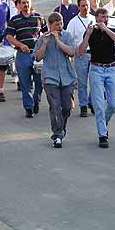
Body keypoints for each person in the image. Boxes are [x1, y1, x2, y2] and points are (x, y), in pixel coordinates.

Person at [78, 8, 115, 148]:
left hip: (110, 69)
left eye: (107, 17)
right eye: (103, 17)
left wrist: (106, 29)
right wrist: (88, 35)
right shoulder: (91, 31)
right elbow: (81, 51)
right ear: (97, 18)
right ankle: (103, 135)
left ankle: (104, 123)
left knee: (113, 104)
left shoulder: (113, 31)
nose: (106, 19)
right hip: (96, 69)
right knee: (98, 104)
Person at [34, 12, 76, 148]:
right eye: (56, 24)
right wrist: (45, 43)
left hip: (67, 77)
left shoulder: (67, 36)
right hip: (50, 77)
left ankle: (61, 128)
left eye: (61, 23)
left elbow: (71, 52)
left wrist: (58, 40)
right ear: (50, 25)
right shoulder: (43, 38)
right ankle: (57, 135)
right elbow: (38, 57)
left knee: (67, 107)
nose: (59, 26)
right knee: (55, 107)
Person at [6, 0, 47, 118]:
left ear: (31, 3)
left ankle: (36, 101)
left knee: (39, 81)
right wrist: (19, 44)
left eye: (27, 2)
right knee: (25, 83)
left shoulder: (39, 17)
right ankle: (28, 108)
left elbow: (46, 34)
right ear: (19, 5)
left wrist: (43, 47)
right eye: (23, 3)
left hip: (37, 55)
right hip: (23, 55)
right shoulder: (14, 20)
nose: (26, 5)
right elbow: (9, 37)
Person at [66, 0, 96, 117]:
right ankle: (83, 105)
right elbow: (69, 39)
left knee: (95, 81)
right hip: (81, 55)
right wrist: (73, 52)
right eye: (83, 5)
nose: (85, 8)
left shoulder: (94, 19)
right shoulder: (73, 22)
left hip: (94, 54)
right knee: (82, 82)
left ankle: (92, 102)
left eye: (87, 5)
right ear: (78, 7)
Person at [3, 0, 20, 88]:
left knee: (17, 54)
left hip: (20, 31)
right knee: (11, 53)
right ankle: (13, 71)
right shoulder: (5, 3)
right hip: (9, 31)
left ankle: (18, 75)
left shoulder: (20, 3)